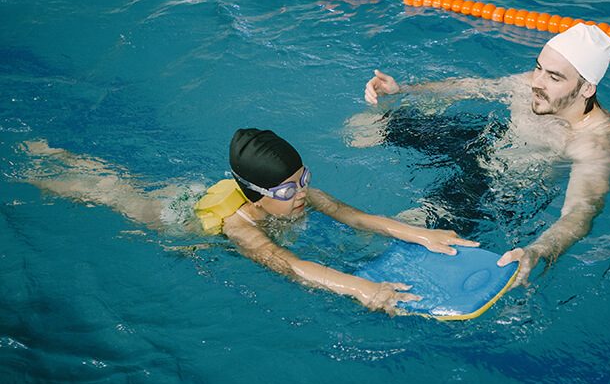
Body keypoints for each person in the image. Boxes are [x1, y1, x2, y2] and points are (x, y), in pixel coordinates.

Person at [20, 129, 478, 315]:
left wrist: (423, 233)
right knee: (114, 194)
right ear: (257, 193)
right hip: (173, 218)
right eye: (287, 190)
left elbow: (355, 216)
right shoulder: (240, 228)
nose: (301, 194)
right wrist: (361, 288)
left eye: (303, 180)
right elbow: (288, 264)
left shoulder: (300, 193)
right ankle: (49, 164)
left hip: (220, 192)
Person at [354, 23, 610, 287]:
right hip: (485, 140)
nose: (537, 82)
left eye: (554, 77)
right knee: (364, 128)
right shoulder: (531, 84)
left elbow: (580, 211)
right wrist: (404, 90)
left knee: (411, 228)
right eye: (538, 68)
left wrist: (538, 250)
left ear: (587, 89)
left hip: (497, 186)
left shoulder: (595, 140)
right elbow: (469, 86)